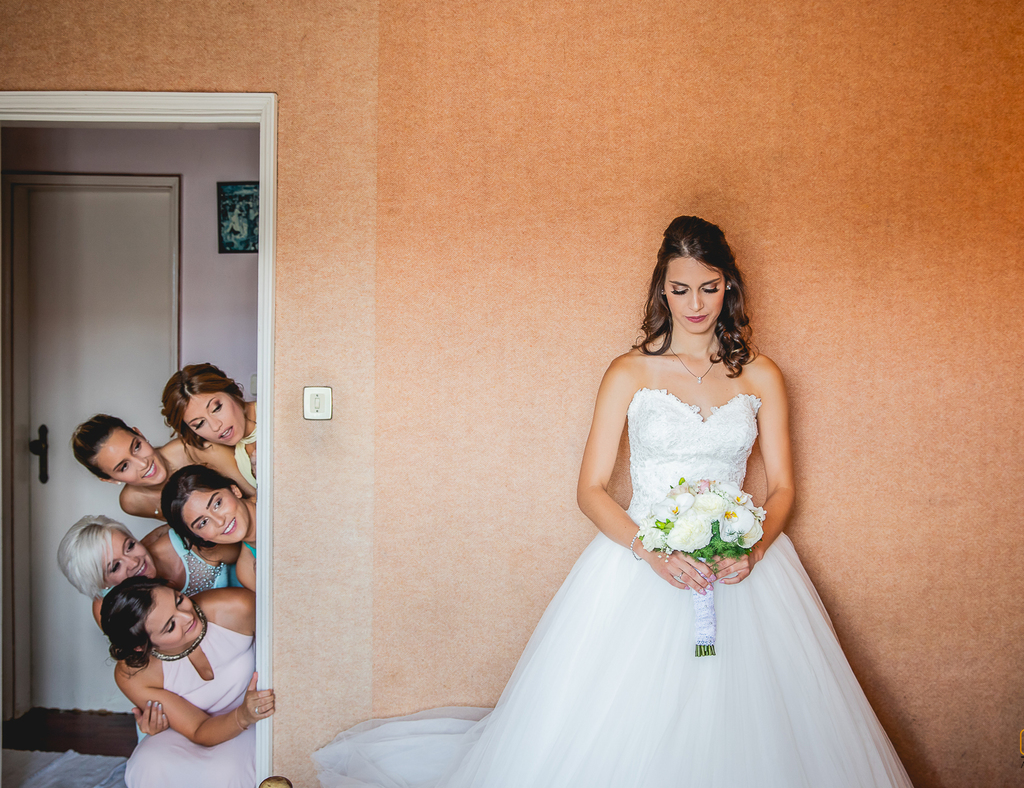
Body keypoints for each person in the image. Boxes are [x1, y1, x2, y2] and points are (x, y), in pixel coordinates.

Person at [312, 216, 913, 787]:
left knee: (758, 721)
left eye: (709, 287)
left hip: (742, 565)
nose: (696, 304)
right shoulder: (629, 372)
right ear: (663, 291)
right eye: (681, 289)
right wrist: (651, 552)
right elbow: (590, 488)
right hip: (644, 562)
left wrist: (752, 550)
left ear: (728, 287)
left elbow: (782, 488)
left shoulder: (761, 375)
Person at [102, 577, 273, 788]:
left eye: (178, 600)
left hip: (260, 717)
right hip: (198, 728)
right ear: (141, 646)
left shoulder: (236, 606)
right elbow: (198, 728)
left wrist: (250, 714)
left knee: (227, 773)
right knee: (148, 766)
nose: (186, 616)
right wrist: (242, 715)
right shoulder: (134, 675)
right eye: (171, 626)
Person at [57, 515, 242, 624]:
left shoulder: (184, 543)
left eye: (129, 546)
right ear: (103, 586)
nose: (134, 561)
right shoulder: (109, 610)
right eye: (115, 567)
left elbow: (249, 550)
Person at [71, 414, 255, 520]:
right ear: (110, 479)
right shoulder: (132, 502)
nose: (143, 464)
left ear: (139, 434)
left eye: (136, 447)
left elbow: (260, 496)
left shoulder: (191, 449)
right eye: (124, 467)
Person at [162, 465, 258, 593]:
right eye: (203, 523)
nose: (219, 521)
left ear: (234, 490)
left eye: (217, 504)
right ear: (200, 537)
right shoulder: (247, 571)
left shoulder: (278, 489)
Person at [161, 364, 258, 489]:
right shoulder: (238, 455)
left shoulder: (275, 414)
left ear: (229, 391)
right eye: (200, 424)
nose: (215, 426)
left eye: (216, 408)